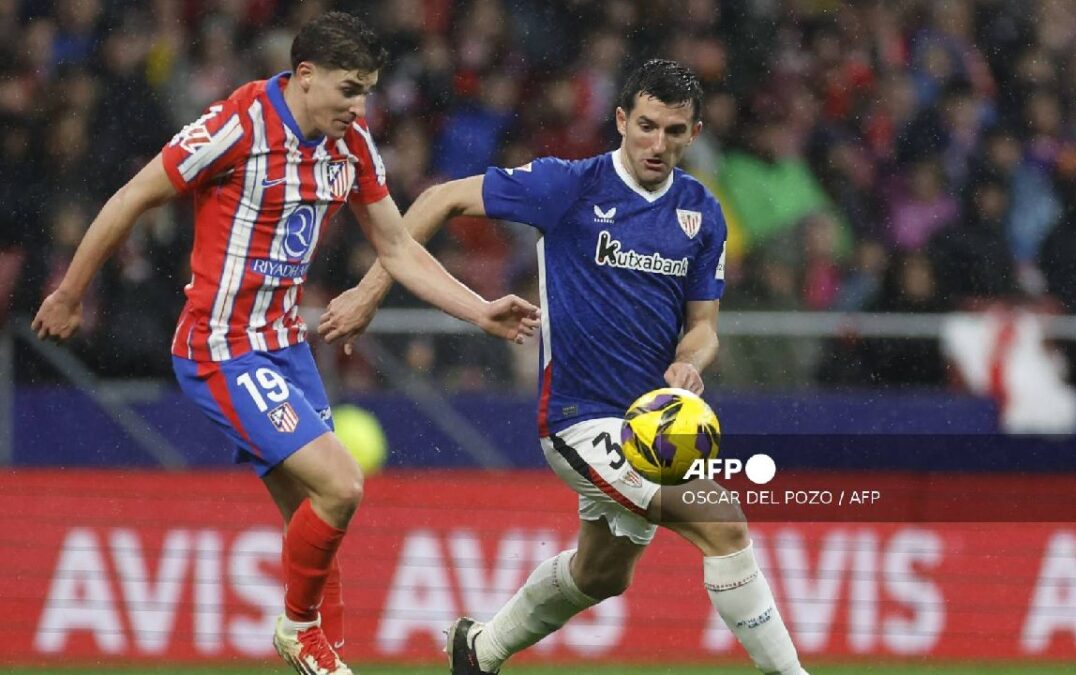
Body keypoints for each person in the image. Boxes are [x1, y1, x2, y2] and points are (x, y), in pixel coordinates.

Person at [31, 12, 539, 675]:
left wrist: (479, 311)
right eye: (349, 89)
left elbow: (397, 247)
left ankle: (327, 658)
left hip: (285, 348)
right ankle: (300, 631)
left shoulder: (351, 143)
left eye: (367, 91)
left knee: (316, 520)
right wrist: (72, 290)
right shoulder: (238, 124)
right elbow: (134, 196)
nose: (360, 106)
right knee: (341, 486)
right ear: (305, 77)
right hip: (222, 346)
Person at [321, 59, 808, 675]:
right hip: (578, 419)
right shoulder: (568, 185)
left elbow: (704, 326)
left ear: (695, 132)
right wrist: (368, 293)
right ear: (621, 119)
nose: (658, 145)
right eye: (648, 126)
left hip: (650, 428)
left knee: (600, 574)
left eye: (675, 132)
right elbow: (439, 199)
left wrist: (688, 364)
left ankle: (479, 650)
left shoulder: (702, 212)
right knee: (722, 521)